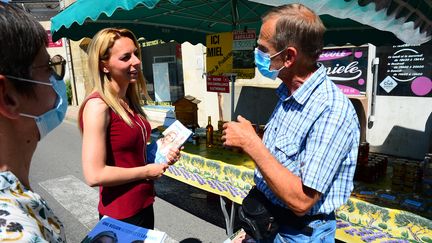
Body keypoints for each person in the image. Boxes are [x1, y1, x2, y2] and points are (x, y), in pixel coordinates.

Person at [222, 3, 360, 242]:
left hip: (298, 232)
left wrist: (251, 143)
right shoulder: (288, 92)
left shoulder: (331, 110)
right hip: (268, 220)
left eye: (264, 49)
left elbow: (301, 201)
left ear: (289, 57)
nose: (257, 54)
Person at [78, 28, 181, 230]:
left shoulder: (128, 99)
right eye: (126, 57)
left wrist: (160, 154)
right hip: (120, 214)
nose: (136, 61)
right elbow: (94, 175)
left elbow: (130, 153)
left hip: (143, 203)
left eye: (136, 53)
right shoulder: (98, 106)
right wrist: (146, 171)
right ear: (104, 65)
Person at [0, 2, 67, 242]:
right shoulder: (18, 233)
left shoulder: (13, 189)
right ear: (8, 97)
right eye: (49, 67)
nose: (57, 79)